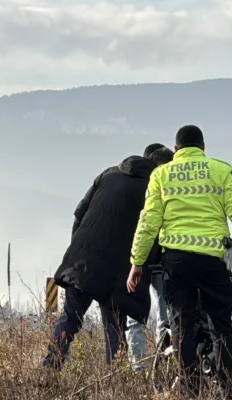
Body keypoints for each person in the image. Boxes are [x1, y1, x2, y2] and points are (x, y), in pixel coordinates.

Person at [127, 125, 232, 399]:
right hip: (212, 263)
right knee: (221, 323)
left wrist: (137, 262)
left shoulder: (160, 175)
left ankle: (189, 392)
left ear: (176, 150)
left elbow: (148, 221)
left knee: (183, 324)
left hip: (175, 263)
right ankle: (226, 390)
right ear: (203, 148)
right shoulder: (220, 170)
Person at [45, 145, 175, 369]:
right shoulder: (155, 187)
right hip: (117, 269)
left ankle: (49, 369)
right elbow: (154, 233)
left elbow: (79, 213)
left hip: (83, 259)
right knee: (115, 326)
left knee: (70, 319)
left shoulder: (109, 173)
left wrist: (78, 247)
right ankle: (115, 381)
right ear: (162, 167)